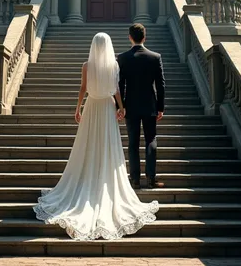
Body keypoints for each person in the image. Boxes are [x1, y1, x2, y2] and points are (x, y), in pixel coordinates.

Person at [33, 32, 159, 240]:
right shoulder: (114, 66)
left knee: (88, 144)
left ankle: (87, 176)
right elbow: (117, 90)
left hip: (92, 106)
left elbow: (83, 89)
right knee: (107, 146)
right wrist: (121, 107)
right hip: (107, 108)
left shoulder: (86, 66)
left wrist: (78, 109)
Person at [117, 23, 165, 190]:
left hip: (130, 105)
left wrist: (120, 106)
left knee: (133, 143)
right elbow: (161, 85)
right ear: (144, 37)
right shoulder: (155, 57)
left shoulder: (122, 58)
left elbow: (120, 85)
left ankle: (135, 180)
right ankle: (151, 178)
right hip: (150, 104)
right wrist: (161, 107)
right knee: (151, 140)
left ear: (130, 37)